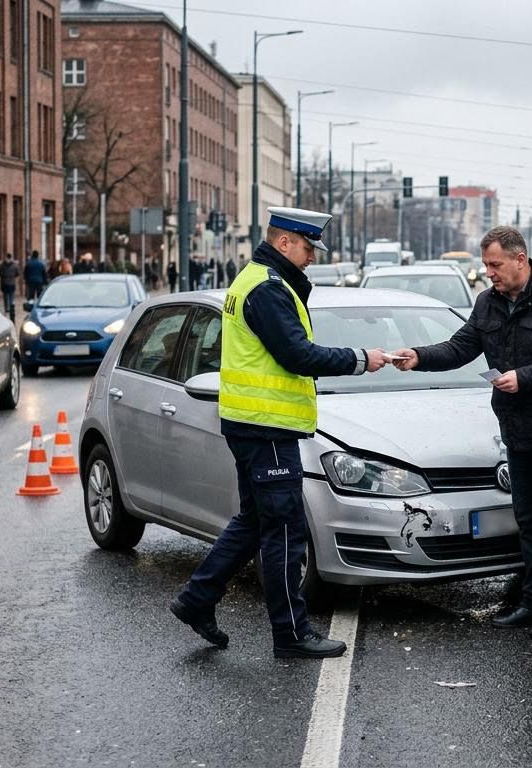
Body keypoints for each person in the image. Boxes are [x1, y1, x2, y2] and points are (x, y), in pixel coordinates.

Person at [170, 206, 388, 660]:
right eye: (308, 247)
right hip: (266, 428)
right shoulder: (267, 289)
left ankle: (197, 599)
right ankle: (291, 633)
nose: (312, 257)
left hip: (253, 424)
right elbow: (298, 354)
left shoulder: (257, 279)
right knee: (286, 531)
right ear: (284, 242)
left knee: (254, 522)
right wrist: (360, 359)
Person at [392, 225, 532, 640]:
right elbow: (460, 347)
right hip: (516, 431)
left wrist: (525, 378)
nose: (489, 273)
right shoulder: (488, 303)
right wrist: (418, 356)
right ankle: (530, 601)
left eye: (495, 264)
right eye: (486, 265)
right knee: (528, 519)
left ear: (520, 259)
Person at [0, 253, 20, 318]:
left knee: (5, 297)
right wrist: (12, 277)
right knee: (11, 297)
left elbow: (0, 273)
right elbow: (17, 273)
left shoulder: (2, 265)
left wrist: (4, 277)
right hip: (12, 283)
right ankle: (11, 309)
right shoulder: (15, 265)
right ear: (11, 258)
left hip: (4, 283)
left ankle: (6, 309)